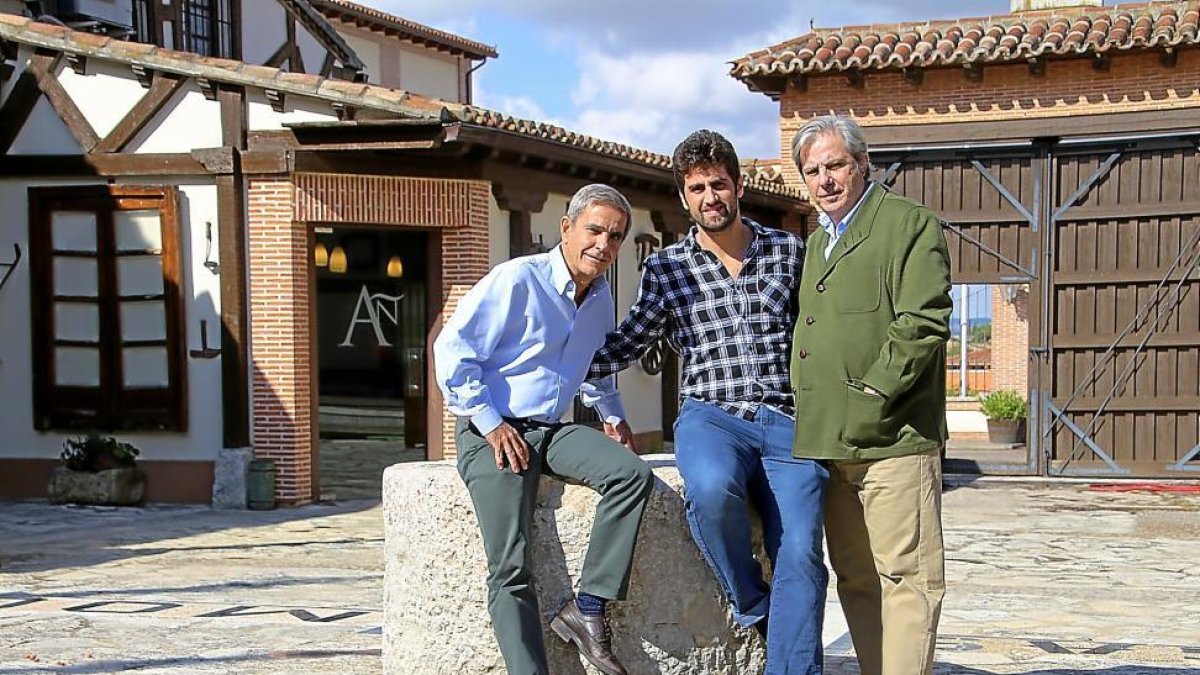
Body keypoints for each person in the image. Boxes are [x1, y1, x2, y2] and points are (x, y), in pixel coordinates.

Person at [587, 130, 828, 674]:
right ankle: (756, 604)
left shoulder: (789, 252)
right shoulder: (666, 269)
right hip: (710, 416)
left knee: (802, 546)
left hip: (788, 418)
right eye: (696, 188)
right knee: (712, 491)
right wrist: (557, 358)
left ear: (738, 186)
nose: (709, 197)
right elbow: (629, 342)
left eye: (718, 184)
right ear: (684, 197)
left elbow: (822, 336)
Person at [433, 183, 655, 675]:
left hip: (553, 430)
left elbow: (591, 366)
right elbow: (452, 354)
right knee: (511, 568)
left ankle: (589, 606)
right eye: (594, 230)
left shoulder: (599, 297)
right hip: (492, 428)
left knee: (632, 476)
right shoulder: (517, 279)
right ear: (567, 228)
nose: (603, 244)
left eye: (615, 236)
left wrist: (612, 414)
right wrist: (491, 425)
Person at [789, 114, 952, 675]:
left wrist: (872, 393)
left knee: (908, 578)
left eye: (835, 165)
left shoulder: (908, 224)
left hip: (894, 439)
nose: (825, 180)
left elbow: (923, 322)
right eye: (812, 171)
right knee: (855, 578)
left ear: (862, 164)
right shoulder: (815, 245)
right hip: (830, 444)